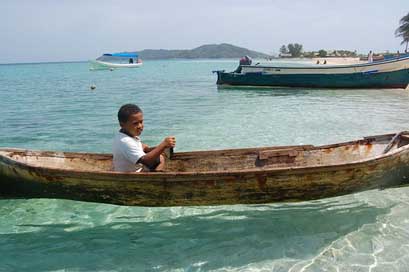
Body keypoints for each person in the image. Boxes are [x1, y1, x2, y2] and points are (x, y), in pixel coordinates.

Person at [112, 104, 176, 172]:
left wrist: (163, 148)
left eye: (141, 122)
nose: (140, 126)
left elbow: (145, 148)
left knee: (160, 157)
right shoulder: (125, 141)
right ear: (122, 124)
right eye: (135, 123)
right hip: (132, 176)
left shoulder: (127, 135)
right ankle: (156, 180)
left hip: (135, 169)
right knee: (160, 159)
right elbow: (146, 161)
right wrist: (163, 144)